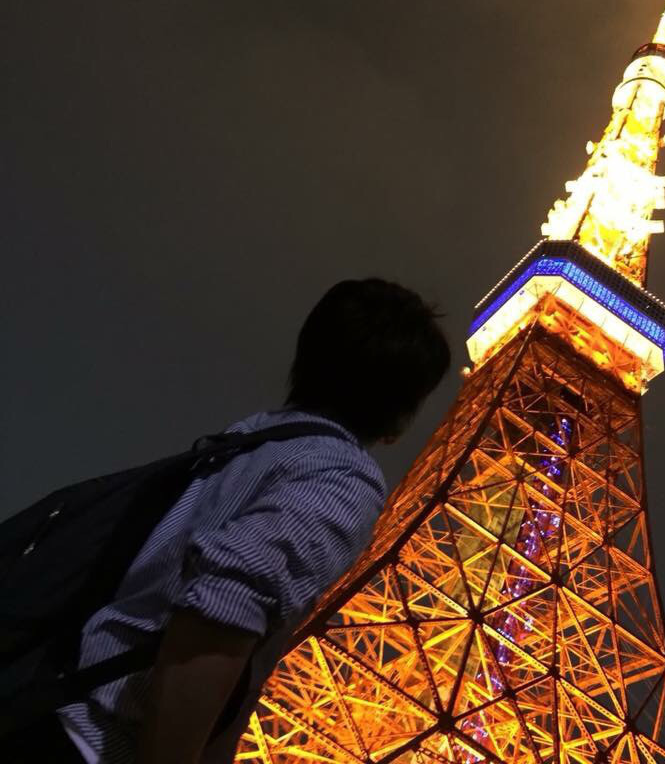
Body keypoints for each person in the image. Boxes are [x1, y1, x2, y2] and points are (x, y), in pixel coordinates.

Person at [6, 278, 450, 764]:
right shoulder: (340, 476)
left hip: (44, 710)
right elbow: (220, 614)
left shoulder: (241, 443)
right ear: (400, 417)